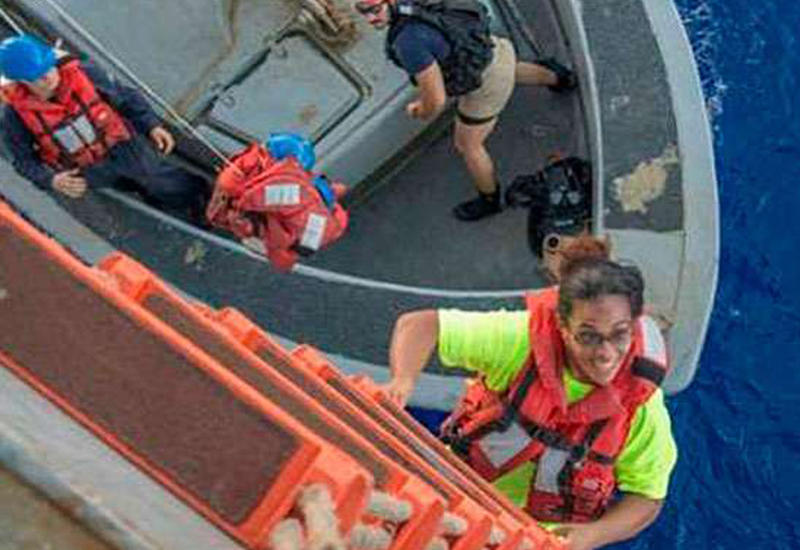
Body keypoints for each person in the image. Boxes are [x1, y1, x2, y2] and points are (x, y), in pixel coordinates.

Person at [382, 234, 677, 550]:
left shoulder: (641, 405)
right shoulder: (520, 343)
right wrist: (402, 382)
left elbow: (647, 496)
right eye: (588, 336)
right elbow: (421, 326)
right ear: (563, 328)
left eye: (619, 335)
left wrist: (593, 535)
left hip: (534, 539)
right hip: (455, 489)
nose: (606, 354)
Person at [354, 0, 576, 221]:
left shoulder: (408, 43)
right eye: (363, 12)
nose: (370, 19)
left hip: (484, 85)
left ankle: (490, 199)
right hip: (493, 49)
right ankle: (561, 77)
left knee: (468, 145)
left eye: (374, 10)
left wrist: (419, 110)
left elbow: (436, 99)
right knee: (510, 70)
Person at [0, 34, 208, 216]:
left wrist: (151, 125)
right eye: (36, 76)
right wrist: (51, 179)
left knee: (159, 179)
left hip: (124, 146)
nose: (47, 77)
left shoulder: (87, 74)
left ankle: (201, 200)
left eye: (48, 66)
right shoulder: (15, 116)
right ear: (20, 82)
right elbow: (23, 160)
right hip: (87, 170)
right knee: (131, 187)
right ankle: (156, 203)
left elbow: (126, 97)